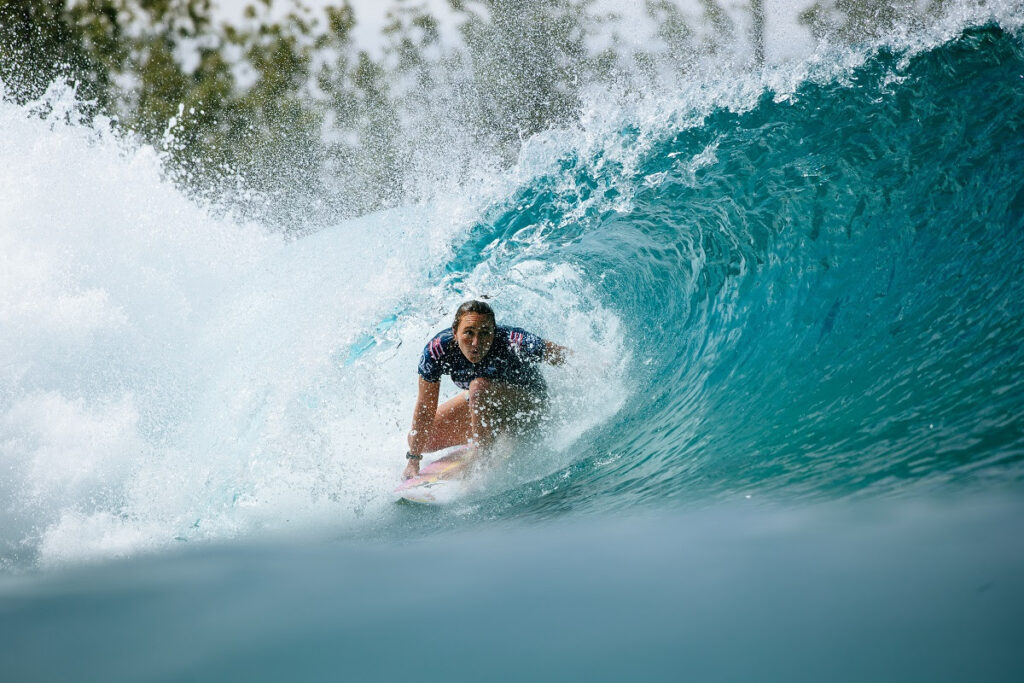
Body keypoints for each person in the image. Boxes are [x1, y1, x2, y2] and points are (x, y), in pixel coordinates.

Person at [403, 300, 570, 480]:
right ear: (455, 332)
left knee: (478, 387)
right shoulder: (437, 350)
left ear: (494, 333)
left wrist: (599, 367)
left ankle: (481, 457)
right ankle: (490, 433)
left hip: (528, 407)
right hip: (484, 402)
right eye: (469, 333)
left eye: (485, 334)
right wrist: (413, 460)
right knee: (423, 440)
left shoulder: (512, 340)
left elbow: (563, 357)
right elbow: (425, 406)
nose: (476, 342)